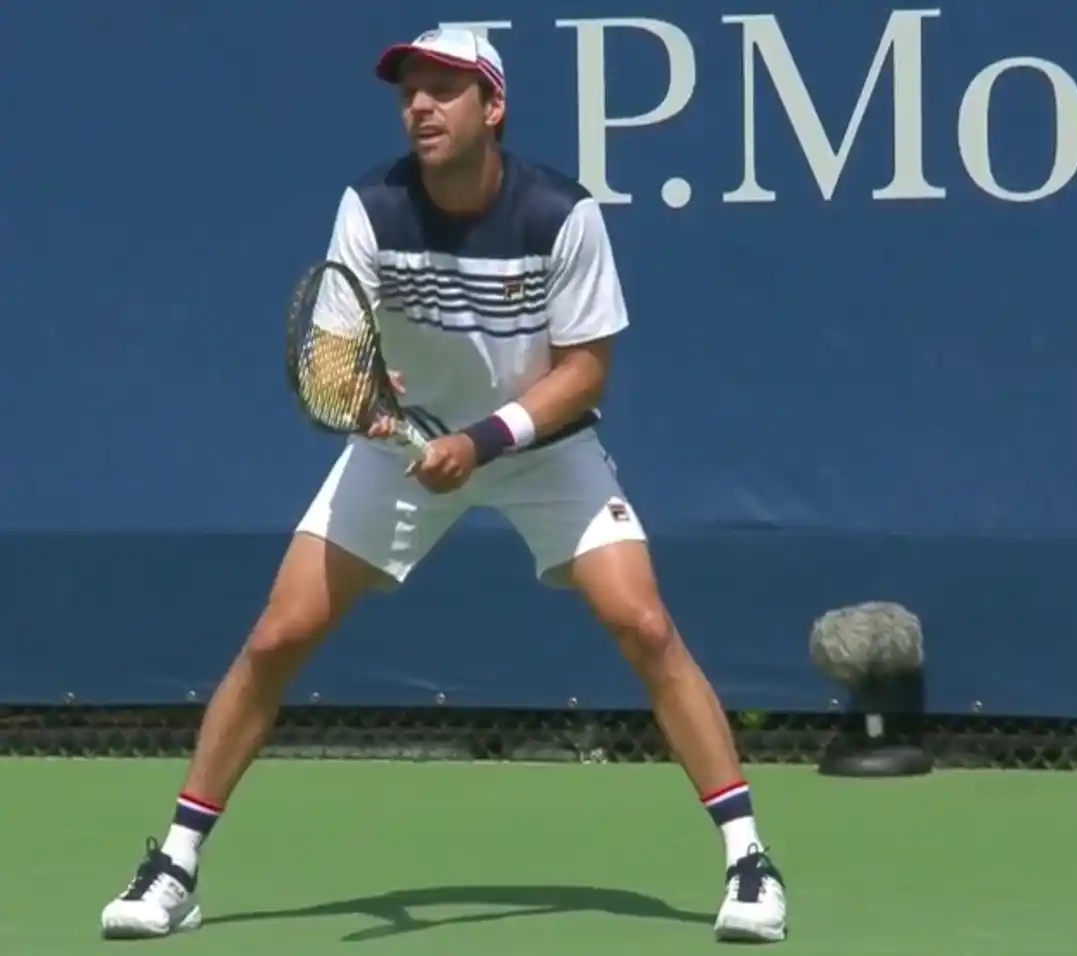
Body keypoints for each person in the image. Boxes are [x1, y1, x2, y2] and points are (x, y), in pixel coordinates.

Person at [99, 26, 787, 945]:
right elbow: (339, 358)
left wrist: (485, 436)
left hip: (539, 447)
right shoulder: (372, 208)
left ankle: (749, 863)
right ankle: (176, 866)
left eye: (444, 90)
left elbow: (585, 372)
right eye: (409, 92)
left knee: (644, 623)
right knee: (278, 635)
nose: (420, 106)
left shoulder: (560, 213)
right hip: (403, 453)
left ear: (491, 108)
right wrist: (396, 423)